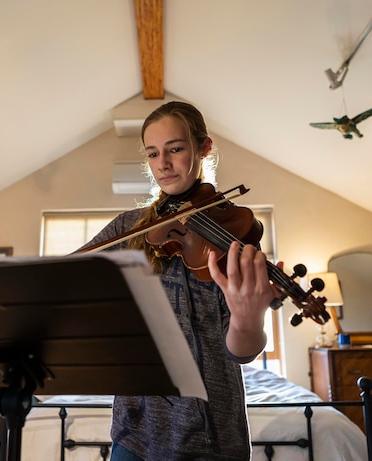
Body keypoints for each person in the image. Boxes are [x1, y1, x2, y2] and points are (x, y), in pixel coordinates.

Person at [82, 101, 279, 460]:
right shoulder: (129, 227)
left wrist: (249, 319)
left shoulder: (230, 235)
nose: (163, 163)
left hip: (209, 431)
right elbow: (68, 277)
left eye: (175, 148)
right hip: (135, 426)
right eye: (153, 153)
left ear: (204, 148)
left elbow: (241, 350)